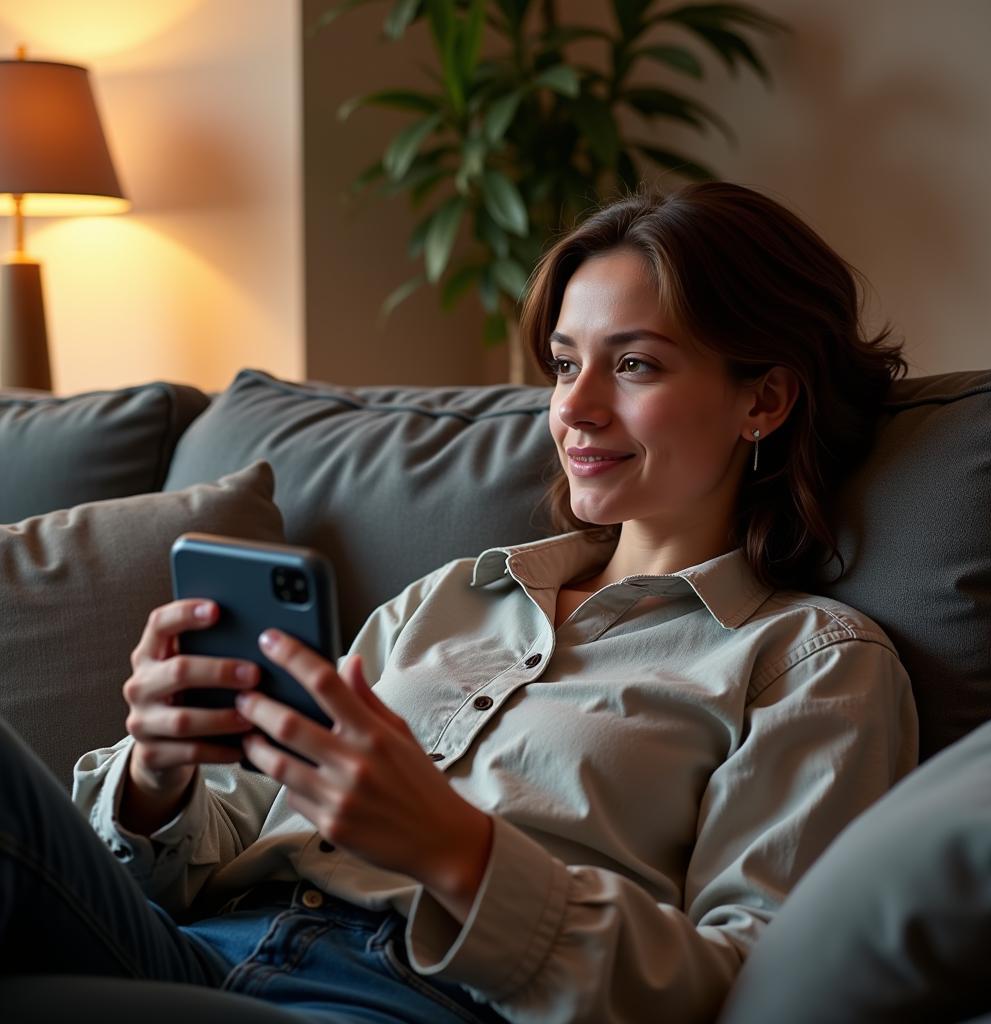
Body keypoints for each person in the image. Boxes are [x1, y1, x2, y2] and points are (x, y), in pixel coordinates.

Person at [0, 183, 919, 1023]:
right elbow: (242, 819)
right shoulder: (453, 596)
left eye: (634, 365)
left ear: (765, 398)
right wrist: (160, 780)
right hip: (190, 955)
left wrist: (457, 850)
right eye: (565, 365)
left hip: (398, 1005)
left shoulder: (809, 662)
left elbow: (755, 984)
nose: (576, 409)